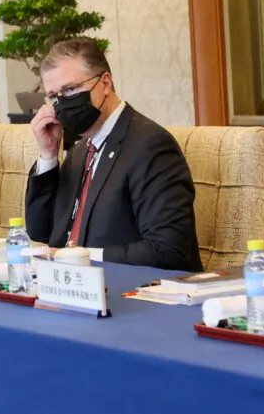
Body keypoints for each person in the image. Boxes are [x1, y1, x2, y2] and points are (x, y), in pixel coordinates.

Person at [24, 37, 201, 271]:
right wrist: (48, 156)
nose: (63, 104)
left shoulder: (150, 146)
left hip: (136, 293)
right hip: (72, 289)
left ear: (105, 83)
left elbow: (169, 250)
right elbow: (41, 232)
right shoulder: (79, 152)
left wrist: (82, 257)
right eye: (55, 97)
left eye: (70, 89)